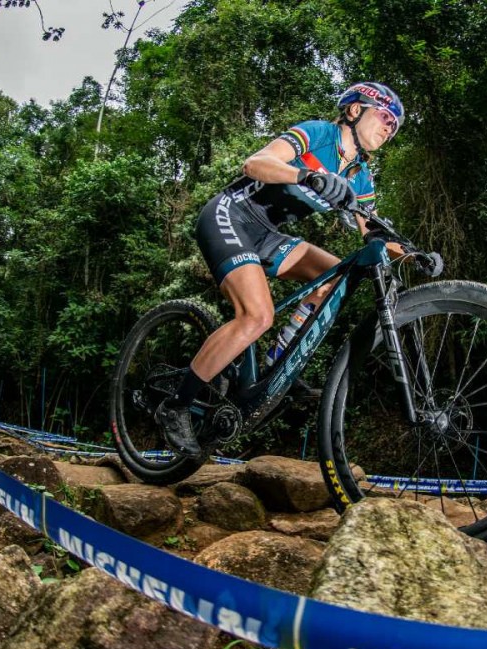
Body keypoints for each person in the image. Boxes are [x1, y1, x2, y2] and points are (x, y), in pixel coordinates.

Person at [156, 82, 407, 457]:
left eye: (394, 126)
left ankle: (277, 368)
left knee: (339, 276)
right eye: (385, 117)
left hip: (269, 235)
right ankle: (174, 406)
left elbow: (370, 231)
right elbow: (255, 163)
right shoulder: (318, 133)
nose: (389, 129)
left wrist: (410, 251)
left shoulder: (360, 175)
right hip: (232, 215)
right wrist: (306, 176)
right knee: (258, 316)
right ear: (355, 111)